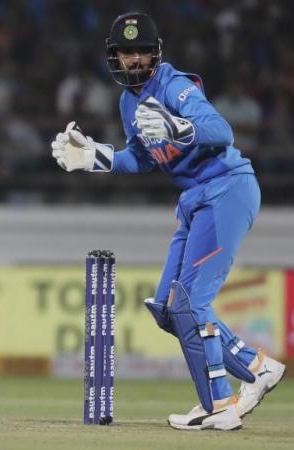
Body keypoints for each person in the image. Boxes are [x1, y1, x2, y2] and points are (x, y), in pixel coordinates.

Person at [50, 12, 286, 431]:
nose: (135, 59)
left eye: (142, 51)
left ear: (156, 54)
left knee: (191, 303)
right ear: (114, 57)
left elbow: (221, 131)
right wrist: (94, 157)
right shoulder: (128, 102)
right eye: (126, 52)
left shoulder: (173, 86)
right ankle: (257, 367)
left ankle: (220, 404)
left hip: (226, 189)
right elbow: (142, 158)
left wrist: (180, 128)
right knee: (167, 308)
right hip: (195, 199)